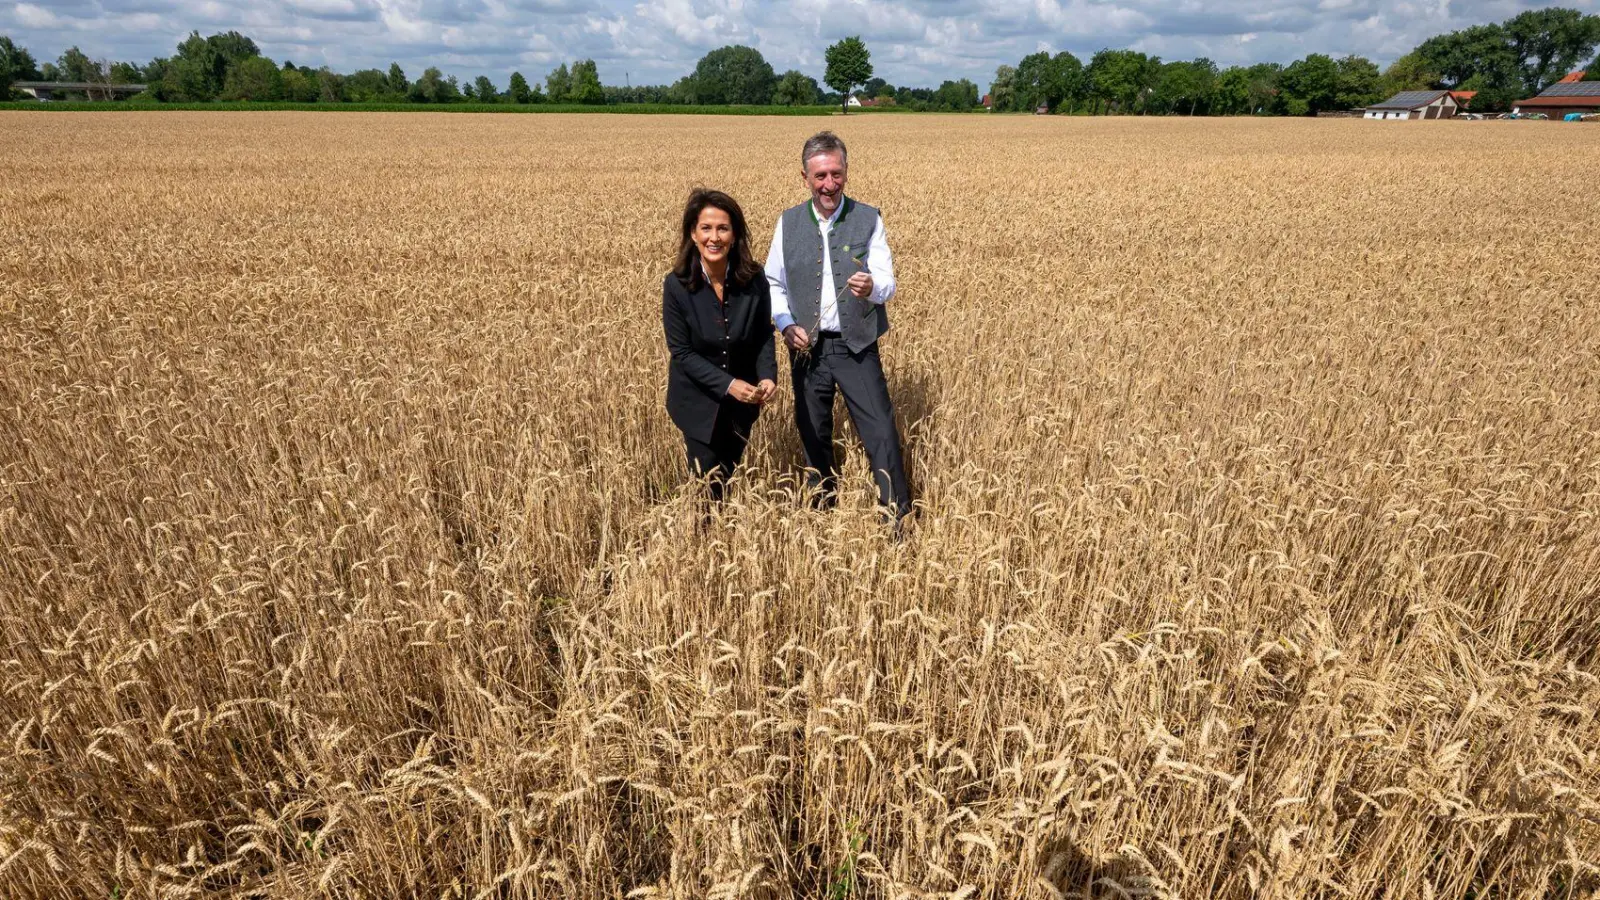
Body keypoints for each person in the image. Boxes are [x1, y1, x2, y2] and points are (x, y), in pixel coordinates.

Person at [765, 131, 911, 520]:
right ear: (805, 178)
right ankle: (822, 513)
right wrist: (786, 324)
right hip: (807, 349)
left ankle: (898, 519)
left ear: (846, 171)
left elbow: (888, 281)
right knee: (813, 433)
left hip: (856, 346)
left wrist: (872, 287)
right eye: (820, 176)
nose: (830, 184)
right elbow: (773, 283)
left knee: (880, 431)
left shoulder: (868, 218)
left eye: (836, 174)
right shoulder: (787, 223)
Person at [663, 189, 778, 501]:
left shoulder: (754, 279)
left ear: (734, 234)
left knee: (727, 478)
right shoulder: (676, 285)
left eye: (723, 228)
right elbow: (682, 352)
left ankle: (721, 527)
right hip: (697, 403)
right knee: (705, 485)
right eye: (706, 228)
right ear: (693, 233)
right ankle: (702, 530)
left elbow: (762, 334)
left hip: (743, 405)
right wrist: (729, 385)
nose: (714, 238)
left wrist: (767, 376)